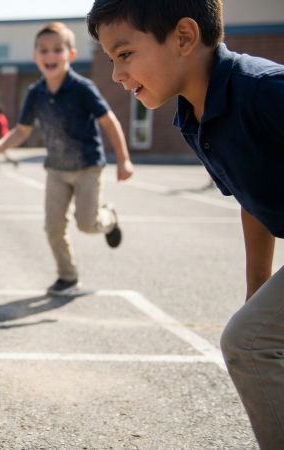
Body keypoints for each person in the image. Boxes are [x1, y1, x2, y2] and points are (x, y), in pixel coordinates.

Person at [87, 0, 284, 446]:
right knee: (257, 334)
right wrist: (256, 295)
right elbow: (253, 198)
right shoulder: (197, 117)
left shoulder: (265, 92)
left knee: (248, 343)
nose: (117, 74)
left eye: (124, 54)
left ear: (183, 37)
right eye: (110, 59)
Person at [0, 21, 134, 296]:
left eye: (57, 49)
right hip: (56, 169)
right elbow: (22, 131)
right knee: (53, 227)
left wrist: (123, 160)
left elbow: (109, 121)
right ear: (35, 56)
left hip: (88, 166)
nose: (50, 55)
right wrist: (1, 145)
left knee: (87, 224)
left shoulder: (82, 88)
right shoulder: (35, 93)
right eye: (43, 50)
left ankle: (109, 218)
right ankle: (68, 277)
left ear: (71, 55)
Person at [0, 106, 19, 170]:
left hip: (0, 136)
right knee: (1, 151)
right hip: (3, 135)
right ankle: (13, 161)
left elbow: (0, 127)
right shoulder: (2, 117)